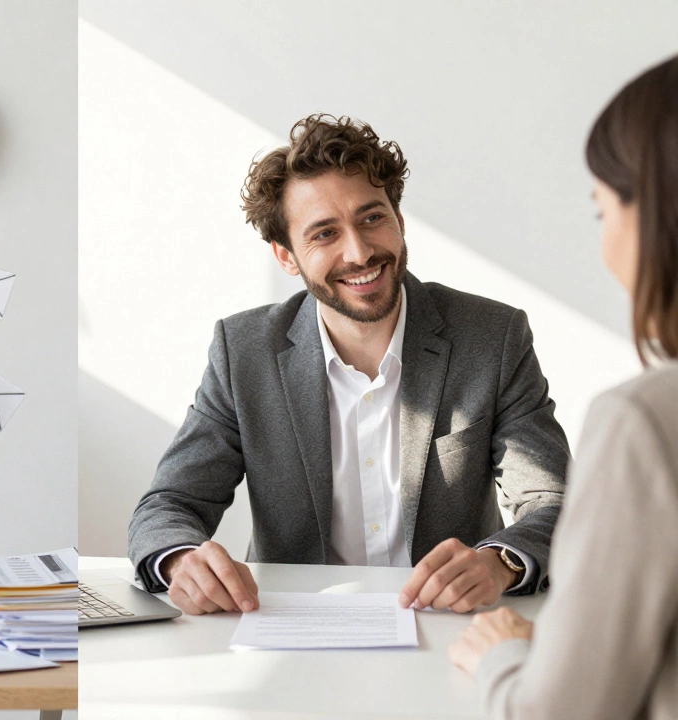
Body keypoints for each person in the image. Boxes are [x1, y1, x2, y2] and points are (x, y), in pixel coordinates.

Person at [127, 114, 569, 616]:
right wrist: (180, 560)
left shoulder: (492, 337)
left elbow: (554, 501)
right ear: (286, 256)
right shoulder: (243, 352)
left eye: (372, 218)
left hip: (448, 624)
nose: (359, 252)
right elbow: (169, 504)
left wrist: (501, 561)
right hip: (293, 625)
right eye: (324, 234)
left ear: (399, 221)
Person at [449, 55, 678, 719]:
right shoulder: (243, 347)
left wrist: (502, 654)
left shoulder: (644, 420)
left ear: (656, 215)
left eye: (602, 210)